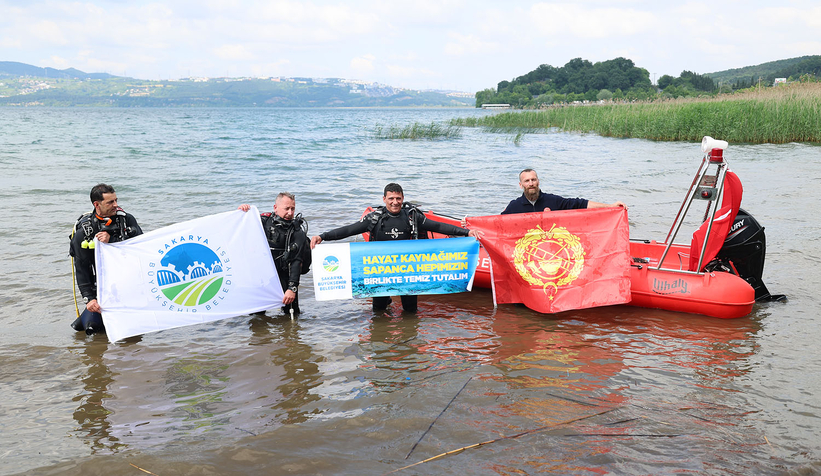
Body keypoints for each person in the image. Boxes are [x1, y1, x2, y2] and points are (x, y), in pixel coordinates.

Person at [310, 183, 483, 312]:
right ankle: (381, 346)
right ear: (384, 199)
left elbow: (437, 227)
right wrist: (323, 237)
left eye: (398, 198)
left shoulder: (412, 216)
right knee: (378, 311)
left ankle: (408, 348)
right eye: (391, 198)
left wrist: (466, 232)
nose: (395, 202)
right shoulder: (374, 218)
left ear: (403, 198)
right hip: (379, 271)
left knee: (410, 311)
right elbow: (349, 229)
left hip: (407, 271)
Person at [69, 183, 143, 334]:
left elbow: (142, 249)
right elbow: (82, 268)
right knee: (89, 328)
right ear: (97, 204)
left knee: (132, 331)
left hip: (129, 285)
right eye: (110, 202)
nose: (116, 205)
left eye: (116, 200)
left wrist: (113, 241)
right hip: (102, 289)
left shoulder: (127, 220)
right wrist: (89, 299)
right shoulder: (84, 232)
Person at [239, 192, 311, 315]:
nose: (290, 213)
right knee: (257, 318)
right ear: (275, 208)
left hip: (285, 275)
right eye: (286, 208)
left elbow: (297, 261)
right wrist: (243, 212)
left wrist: (292, 288)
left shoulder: (297, 232)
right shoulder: (263, 221)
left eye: (293, 208)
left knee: (292, 315)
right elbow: (240, 228)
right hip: (263, 276)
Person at [502, 168, 627, 214]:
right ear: (521, 185)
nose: (531, 184)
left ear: (538, 181)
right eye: (527, 181)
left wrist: (610, 206)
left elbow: (580, 204)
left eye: (533, 180)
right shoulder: (514, 206)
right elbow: (496, 225)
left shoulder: (552, 200)